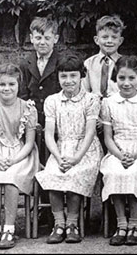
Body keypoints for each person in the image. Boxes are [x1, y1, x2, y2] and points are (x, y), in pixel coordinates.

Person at [35, 55, 103, 244]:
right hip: (61, 149)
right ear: (58, 77)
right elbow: (49, 134)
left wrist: (76, 158)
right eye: (64, 76)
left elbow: (90, 132)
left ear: (81, 76)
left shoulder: (91, 100)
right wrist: (57, 157)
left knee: (75, 173)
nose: (68, 81)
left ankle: (72, 224)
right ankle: (59, 223)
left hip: (85, 149)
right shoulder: (52, 101)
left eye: (73, 76)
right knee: (53, 173)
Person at [98, 56, 137, 246]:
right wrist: (119, 155)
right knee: (114, 172)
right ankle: (121, 223)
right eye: (121, 78)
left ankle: (135, 223)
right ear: (115, 79)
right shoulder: (109, 103)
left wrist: (135, 155)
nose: (126, 83)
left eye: (131, 78)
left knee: (134, 173)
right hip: (117, 149)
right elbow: (108, 137)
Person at [0, 64, 39, 250]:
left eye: (12, 84)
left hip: (21, 154)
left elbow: (29, 143)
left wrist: (14, 159)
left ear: (19, 85)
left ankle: (9, 229)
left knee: (11, 179)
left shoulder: (28, 108)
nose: (7, 88)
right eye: (2, 84)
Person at [18, 16, 63, 131]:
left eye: (47, 38)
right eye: (38, 38)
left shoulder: (62, 62)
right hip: (33, 121)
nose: (42, 42)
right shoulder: (25, 64)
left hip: (57, 121)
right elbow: (23, 95)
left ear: (56, 39)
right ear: (31, 38)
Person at [82, 14, 127, 99]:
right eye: (105, 37)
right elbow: (84, 91)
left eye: (114, 37)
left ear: (120, 41)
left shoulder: (126, 64)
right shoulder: (88, 64)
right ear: (96, 40)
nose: (109, 41)